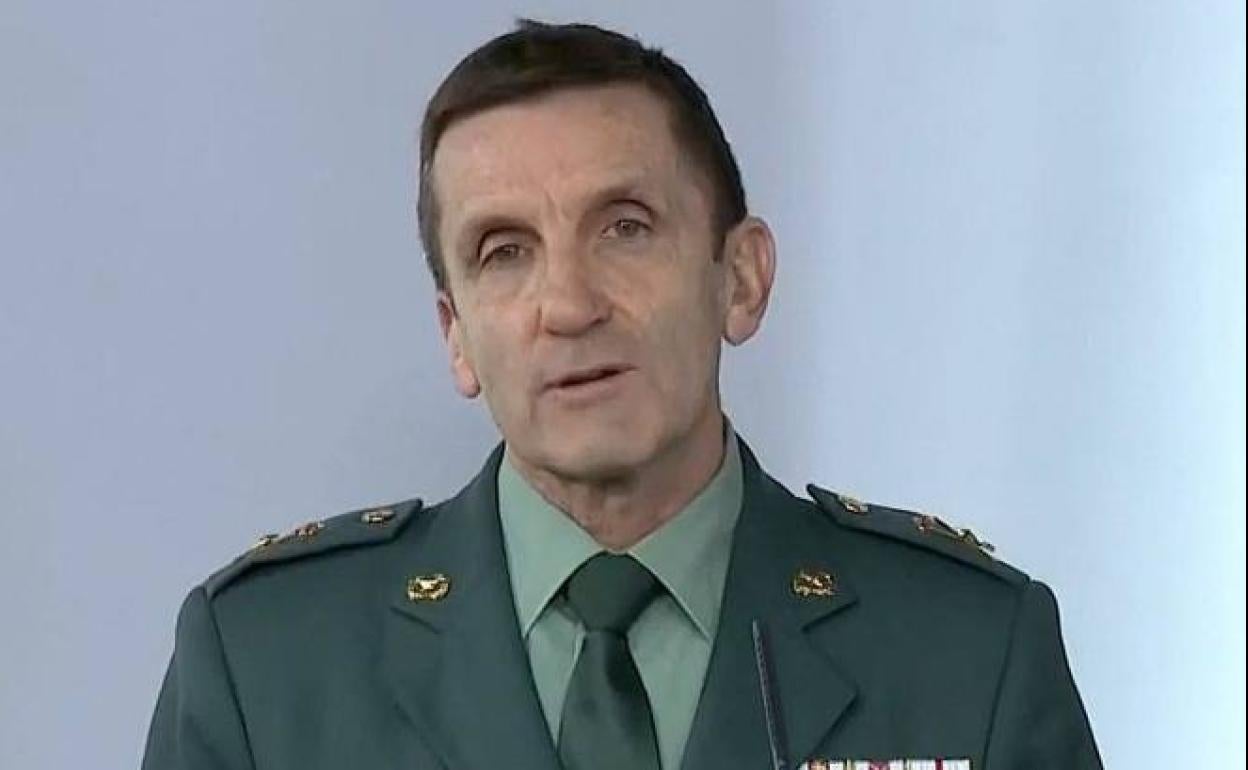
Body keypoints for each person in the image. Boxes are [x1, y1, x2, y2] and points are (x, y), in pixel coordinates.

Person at [141, 19, 1103, 770]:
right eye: (504, 252)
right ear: (456, 336)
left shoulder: (968, 651)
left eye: (625, 228)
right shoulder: (267, 666)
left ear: (741, 279)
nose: (569, 305)